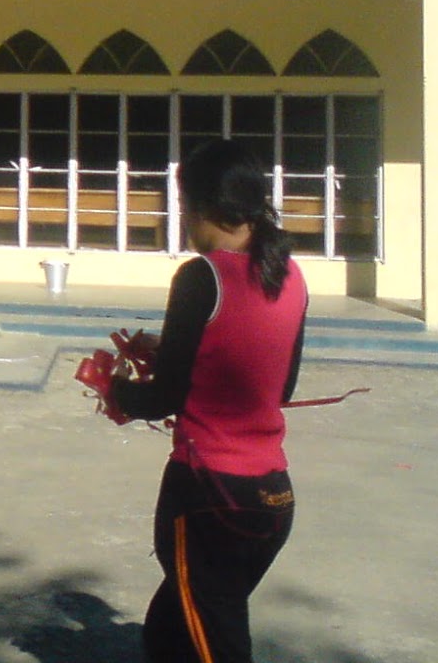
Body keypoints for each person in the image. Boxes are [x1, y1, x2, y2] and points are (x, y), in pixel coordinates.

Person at [107, 138, 308, 663]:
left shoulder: (202, 277)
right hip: (271, 498)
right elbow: (279, 385)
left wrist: (112, 386)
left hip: (208, 495)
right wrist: (176, 349)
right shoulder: (291, 275)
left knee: (213, 640)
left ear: (199, 208)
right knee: (172, 627)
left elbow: (161, 399)